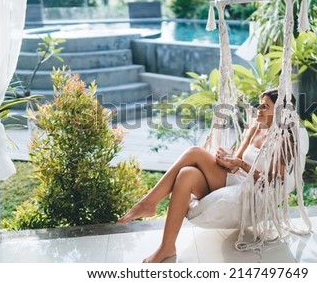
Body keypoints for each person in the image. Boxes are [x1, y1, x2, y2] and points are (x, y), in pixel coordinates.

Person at [117, 89, 295, 263]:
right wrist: (228, 159)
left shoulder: (284, 139)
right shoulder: (256, 127)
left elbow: (272, 181)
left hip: (249, 187)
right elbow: (238, 158)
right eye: (260, 104)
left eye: (265, 106)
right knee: (186, 174)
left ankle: (148, 204)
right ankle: (167, 247)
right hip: (234, 175)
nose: (259, 109)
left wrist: (241, 165)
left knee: (194, 152)